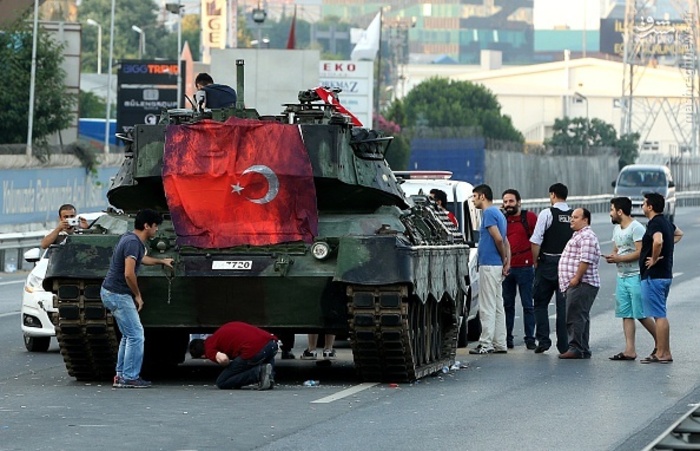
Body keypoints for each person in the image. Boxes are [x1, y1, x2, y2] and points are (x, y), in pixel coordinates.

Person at [100, 209, 174, 388]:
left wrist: (161, 261)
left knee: (128, 335)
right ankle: (130, 377)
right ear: (147, 225)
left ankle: (121, 375)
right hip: (118, 293)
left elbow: (141, 259)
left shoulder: (131, 239)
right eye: (155, 226)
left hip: (111, 292)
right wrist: (138, 295)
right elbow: (128, 273)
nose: (156, 230)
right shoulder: (134, 243)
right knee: (136, 336)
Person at [604, 197, 656, 361]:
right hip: (621, 277)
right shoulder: (617, 229)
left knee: (640, 313)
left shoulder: (636, 228)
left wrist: (619, 259)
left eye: (612, 209)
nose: (610, 213)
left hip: (635, 275)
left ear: (620, 211)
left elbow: (640, 252)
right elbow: (617, 248)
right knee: (626, 314)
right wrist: (613, 256)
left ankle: (661, 343)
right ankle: (629, 350)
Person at [639, 193, 683, 364]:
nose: (642, 206)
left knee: (659, 315)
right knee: (660, 313)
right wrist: (667, 246)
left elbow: (657, 241)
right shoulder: (666, 222)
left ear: (650, 207)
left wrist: (656, 257)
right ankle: (663, 351)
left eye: (644, 204)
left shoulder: (655, 223)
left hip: (654, 276)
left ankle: (663, 353)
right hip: (664, 274)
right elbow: (679, 233)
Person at [530, 183, 574, 354]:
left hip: (548, 263)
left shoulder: (547, 213)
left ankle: (543, 340)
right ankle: (564, 345)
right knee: (563, 307)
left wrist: (535, 261)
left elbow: (536, 240)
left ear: (553, 195)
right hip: (568, 266)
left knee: (540, 303)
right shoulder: (574, 215)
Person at [469, 184, 509, 355]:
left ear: (483, 196)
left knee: (486, 305)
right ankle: (500, 342)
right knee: (498, 305)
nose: (473, 200)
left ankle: (486, 344)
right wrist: (505, 261)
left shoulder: (489, 213)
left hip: (490, 264)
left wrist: (502, 257)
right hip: (496, 265)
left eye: (475, 196)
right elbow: (505, 240)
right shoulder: (499, 213)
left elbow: (498, 239)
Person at [557, 208, 601, 359]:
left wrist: (576, 278)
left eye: (576, 217)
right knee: (580, 315)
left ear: (585, 220)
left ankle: (575, 347)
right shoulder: (578, 235)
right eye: (571, 217)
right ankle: (582, 348)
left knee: (575, 315)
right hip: (578, 283)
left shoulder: (587, 236)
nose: (572, 220)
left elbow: (585, 260)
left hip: (582, 283)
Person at [189, 321, 278, 390]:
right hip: (272, 343)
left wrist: (227, 365)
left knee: (222, 382)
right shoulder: (218, 334)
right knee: (264, 357)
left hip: (254, 350)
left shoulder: (209, 349)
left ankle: (258, 373)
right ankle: (269, 377)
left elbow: (224, 359)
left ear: (203, 355)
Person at [501, 189, 538, 350]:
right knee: (507, 305)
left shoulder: (529, 218)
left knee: (528, 305)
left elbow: (538, 238)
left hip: (525, 267)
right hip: (507, 268)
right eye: (505, 202)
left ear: (518, 202)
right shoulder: (502, 219)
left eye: (511, 201)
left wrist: (536, 260)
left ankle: (530, 338)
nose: (508, 205)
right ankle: (507, 338)